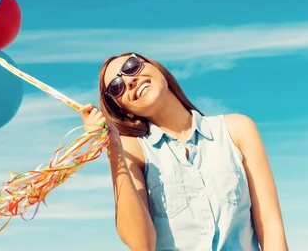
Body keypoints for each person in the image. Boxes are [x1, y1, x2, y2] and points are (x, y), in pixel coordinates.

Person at [79, 52, 288, 251]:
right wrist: (112, 147)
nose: (129, 81)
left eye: (131, 67)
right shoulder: (132, 150)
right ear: (122, 108)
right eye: (116, 87)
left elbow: (270, 225)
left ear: (157, 69)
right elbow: (141, 244)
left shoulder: (237, 130)